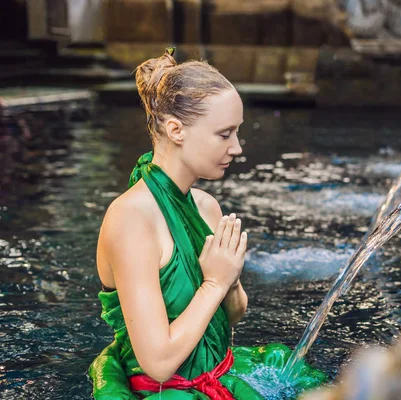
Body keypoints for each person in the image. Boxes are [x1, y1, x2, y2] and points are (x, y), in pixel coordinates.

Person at [88, 49, 326, 399]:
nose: (237, 148)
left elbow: (233, 315)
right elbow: (157, 362)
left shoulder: (206, 206)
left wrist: (229, 281)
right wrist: (214, 282)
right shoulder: (130, 220)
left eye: (237, 133)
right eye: (225, 134)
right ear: (176, 130)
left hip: (222, 373)